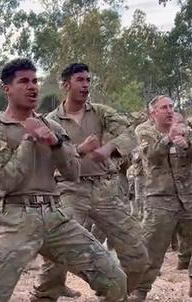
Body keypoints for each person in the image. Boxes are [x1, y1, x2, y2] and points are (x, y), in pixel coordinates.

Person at [0, 58, 127, 302]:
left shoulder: (54, 127)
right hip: (16, 219)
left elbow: (72, 172)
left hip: (55, 216)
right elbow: (4, 183)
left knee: (114, 281)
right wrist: (28, 139)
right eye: (23, 81)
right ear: (7, 88)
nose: (32, 86)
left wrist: (55, 143)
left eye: (35, 80)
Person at [31, 63, 147, 300]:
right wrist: (79, 151)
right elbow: (45, 158)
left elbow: (129, 133)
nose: (85, 85)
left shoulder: (101, 113)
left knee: (136, 252)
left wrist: (108, 148)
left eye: (88, 80)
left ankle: (115, 294)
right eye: (80, 80)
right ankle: (44, 297)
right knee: (58, 251)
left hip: (105, 189)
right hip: (68, 189)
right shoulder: (51, 121)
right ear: (66, 85)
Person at [131, 95, 192, 301]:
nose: (170, 110)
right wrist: (168, 139)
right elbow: (150, 156)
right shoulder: (144, 131)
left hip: (189, 198)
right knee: (151, 248)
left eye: (171, 106)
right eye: (164, 107)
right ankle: (139, 291)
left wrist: (188, 144)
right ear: (153, 112)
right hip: (160, 200)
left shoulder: (186, 130)